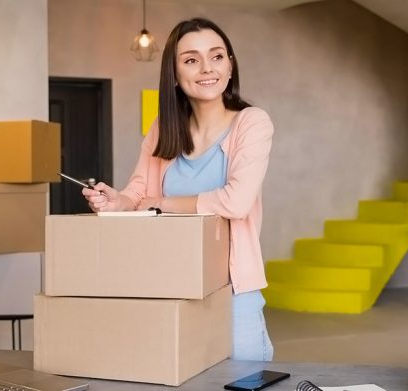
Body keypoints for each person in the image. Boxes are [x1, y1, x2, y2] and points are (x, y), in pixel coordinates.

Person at [82, 17, 274, 361]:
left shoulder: (252, 122)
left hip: (233, 291)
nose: (206, 68)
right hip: (168, 284)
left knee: (243, 380)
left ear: (230, 65)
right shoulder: (163, 129)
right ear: (174, 74)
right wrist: (117, 202)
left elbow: (236, 202)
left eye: (217, 57)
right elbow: (137, 194)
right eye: (190, 60)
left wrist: (161, 204)